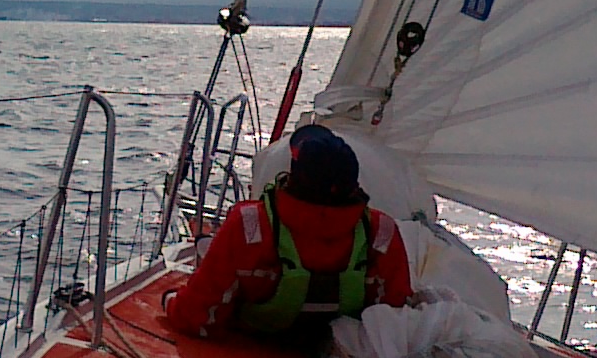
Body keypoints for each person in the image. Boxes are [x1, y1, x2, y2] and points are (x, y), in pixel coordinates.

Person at [164, 123, 412, 338]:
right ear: (354, 184)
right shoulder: (382, 233)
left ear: (293, 174)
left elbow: (194, 318)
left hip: (255, 348)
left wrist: (168, 300)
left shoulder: (248, 224)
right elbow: (394, 317)